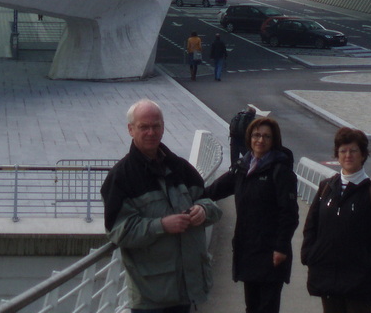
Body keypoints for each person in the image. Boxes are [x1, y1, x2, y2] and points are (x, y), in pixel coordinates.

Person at [101, 99, 221, 313]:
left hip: (186, 290)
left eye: (156, 126)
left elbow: (208, 202)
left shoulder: (180, 167)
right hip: (151, 297)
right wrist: (162, 225)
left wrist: (203, 211)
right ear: (130, 130)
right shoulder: (120, 178)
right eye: (143, 127)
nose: (151, 132)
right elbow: (119, 231)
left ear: (163, 127)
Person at [205, 116, 299, 313]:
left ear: (274, 141)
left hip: (272, 252)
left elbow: (289, 213)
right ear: (249, 138)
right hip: (248, 249)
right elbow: (213, 190)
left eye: (266, 136)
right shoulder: (243, 167)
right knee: (252, 306)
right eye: (256, 135)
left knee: (267, 308)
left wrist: (281, 247)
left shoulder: (280, 171)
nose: (260, 140)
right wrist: (186, 194)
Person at [302, 127, 371, 313]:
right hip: (328, 278)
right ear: (337, 154)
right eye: (343, 151)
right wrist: (310, 255)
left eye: (353, 150)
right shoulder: (326, 188)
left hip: (360, 283)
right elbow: (311, 226)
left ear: (363, 155)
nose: (348, 155)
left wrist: (368, 265)